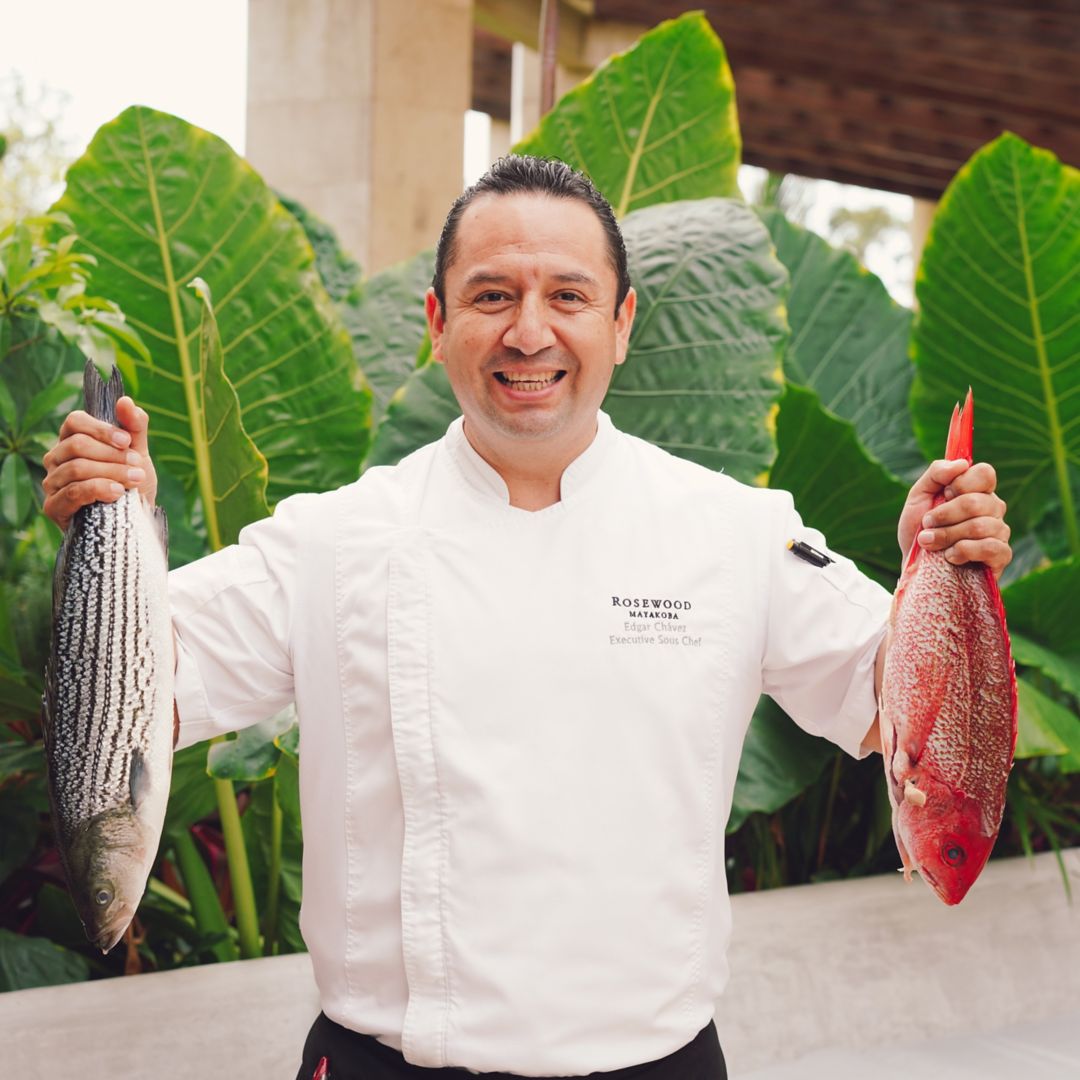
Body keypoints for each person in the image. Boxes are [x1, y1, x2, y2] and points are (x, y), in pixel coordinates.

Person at [42, 156, 1011, 1080]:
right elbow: (133, 703)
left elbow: (907, 722)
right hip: (391, 1060)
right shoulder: (332, 540)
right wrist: (117, 524)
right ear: (438, 320)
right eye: (493, 296)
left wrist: (944, 568)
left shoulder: (737, 533)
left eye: (569, 296)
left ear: (623, 321)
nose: (529, 333)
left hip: (654, 1060)